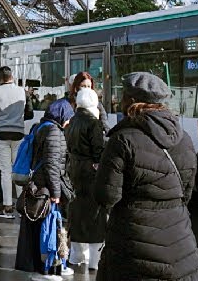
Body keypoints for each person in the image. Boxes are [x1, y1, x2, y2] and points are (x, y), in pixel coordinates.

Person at [92, 72, 198, 281]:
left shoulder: (122, 140)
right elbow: (186, 193)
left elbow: (106, 196)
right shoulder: (185, 139)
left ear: (132, 101)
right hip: (181, 246)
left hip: (133, 246)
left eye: (123, 96)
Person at [14, 96, 72, 280]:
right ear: (61, 115)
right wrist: (56, 193)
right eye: (69, 116)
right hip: (46, 188)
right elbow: (52, 165)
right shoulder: (54, 132)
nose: (70, 120)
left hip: (37, 186)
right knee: (49, 230)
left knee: (37, 228)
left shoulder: (41, 126)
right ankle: (47, 269)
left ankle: (38, 266)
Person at [0, 65, 33, 219]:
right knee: (18, 170)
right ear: (12, 77)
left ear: (0, 78)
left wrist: (0, 116)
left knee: (5, 171)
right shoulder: (23, 92)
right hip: (18, 133)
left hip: (0, 134)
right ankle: (22, 207)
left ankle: (7, 207)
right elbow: (29, 113)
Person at [65, 87, 107, 272]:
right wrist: (98, 164)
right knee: (94, 213)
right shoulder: (93, 122)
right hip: (90, 170)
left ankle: (76, 254)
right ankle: (94, 260)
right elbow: (98, 149)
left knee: (77, 209)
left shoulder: (73, 120)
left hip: (74, 168)